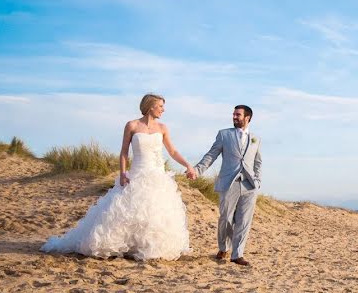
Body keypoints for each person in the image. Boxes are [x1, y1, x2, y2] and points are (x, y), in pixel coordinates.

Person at [41, 94, 195, 260]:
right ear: (150, 106)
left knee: (155, 212)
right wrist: (122, 173)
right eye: (160, 106)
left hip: (157, 176)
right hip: (136, 174)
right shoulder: (132, 125)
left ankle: (145, 247)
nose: (163, 110)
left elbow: (172, 151)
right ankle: (124, 245)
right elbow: (124, 152)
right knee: (127, 212)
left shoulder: (163, 128)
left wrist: (188, 165)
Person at [192, 104, 262, 266]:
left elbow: (258, 162)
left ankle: (237, 254)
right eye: (233, 114)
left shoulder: (256, 139)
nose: (234, 117)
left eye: (238, 115)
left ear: (247, 118)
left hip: (249, 185)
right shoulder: (224, 135)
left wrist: (257, 181)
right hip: (229, 183)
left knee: (244, 220)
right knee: (226, 218)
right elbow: (211, 155)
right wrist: (197, 170)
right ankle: (224, 247)